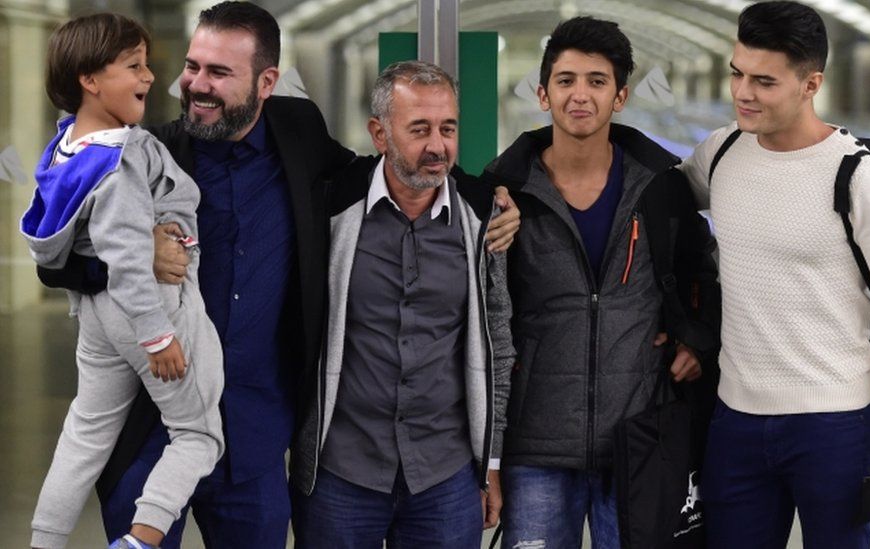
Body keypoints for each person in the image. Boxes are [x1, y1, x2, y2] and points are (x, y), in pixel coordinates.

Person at [35, 3, 521, 547]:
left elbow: (389, 170)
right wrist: (125, 257)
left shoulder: (300, 134)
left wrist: (491, 196)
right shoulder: (150, 155)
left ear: (267, 82)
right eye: (194, 66)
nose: (194, 84)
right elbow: (53, 259)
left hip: (257, 444)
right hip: (155, 432)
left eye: (219, 73)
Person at [678, 2, 870, 548]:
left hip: (835, 425)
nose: (743, 92)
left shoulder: (864, 180)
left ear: (810, 83)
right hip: (736, 420)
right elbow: (648, 200)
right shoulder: (721, 154)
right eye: (737, 73)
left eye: (764, 81)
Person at [481, 17, 720, 548]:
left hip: (638, 442)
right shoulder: (505, 193)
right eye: (565, 81)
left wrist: (697, 339)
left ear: (621, 96)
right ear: (543, 95)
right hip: (536, 448)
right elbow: (484, 316)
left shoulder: (659, 189)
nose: (580, 95)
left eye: (596, 81)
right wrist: (489, 455)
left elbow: (702, 270)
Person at [289, 60, 515, 549]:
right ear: (380, 133)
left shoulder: (483, 217)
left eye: (448, 128)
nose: (438, 146)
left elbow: (499, 343)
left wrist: (490, 461)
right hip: (341, 474)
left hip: (446, 478)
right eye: (419, 129)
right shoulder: (329, 209)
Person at [21, 13, 223, 549]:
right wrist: (158, 334)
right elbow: (129, 257)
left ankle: (45, 539)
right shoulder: (122, 156)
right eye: (133, 66)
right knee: (199, 434)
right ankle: (141, 539)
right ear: (90, 80)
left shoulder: (67, 146)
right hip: (148, 308)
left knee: (85, 432)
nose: (151, 77)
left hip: (96, 316)